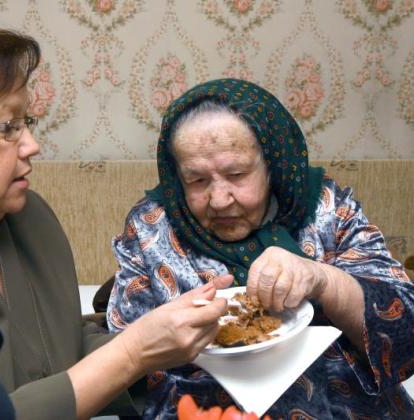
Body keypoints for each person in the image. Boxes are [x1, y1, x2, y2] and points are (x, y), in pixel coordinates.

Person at [0, 15, 232, 420]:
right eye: (7, 127)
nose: (31, 145)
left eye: (27, 123)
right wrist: (133, 353)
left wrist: (178, 338)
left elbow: (58, 353)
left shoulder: (25, 217)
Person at [106, 78, 414, 418]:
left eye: (237, 174)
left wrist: (323, 279)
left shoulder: (328, 209)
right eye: (196, 180)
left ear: (272, 166)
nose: (219, 200)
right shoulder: (150, 227)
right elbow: (123, 360)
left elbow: (405, 327)